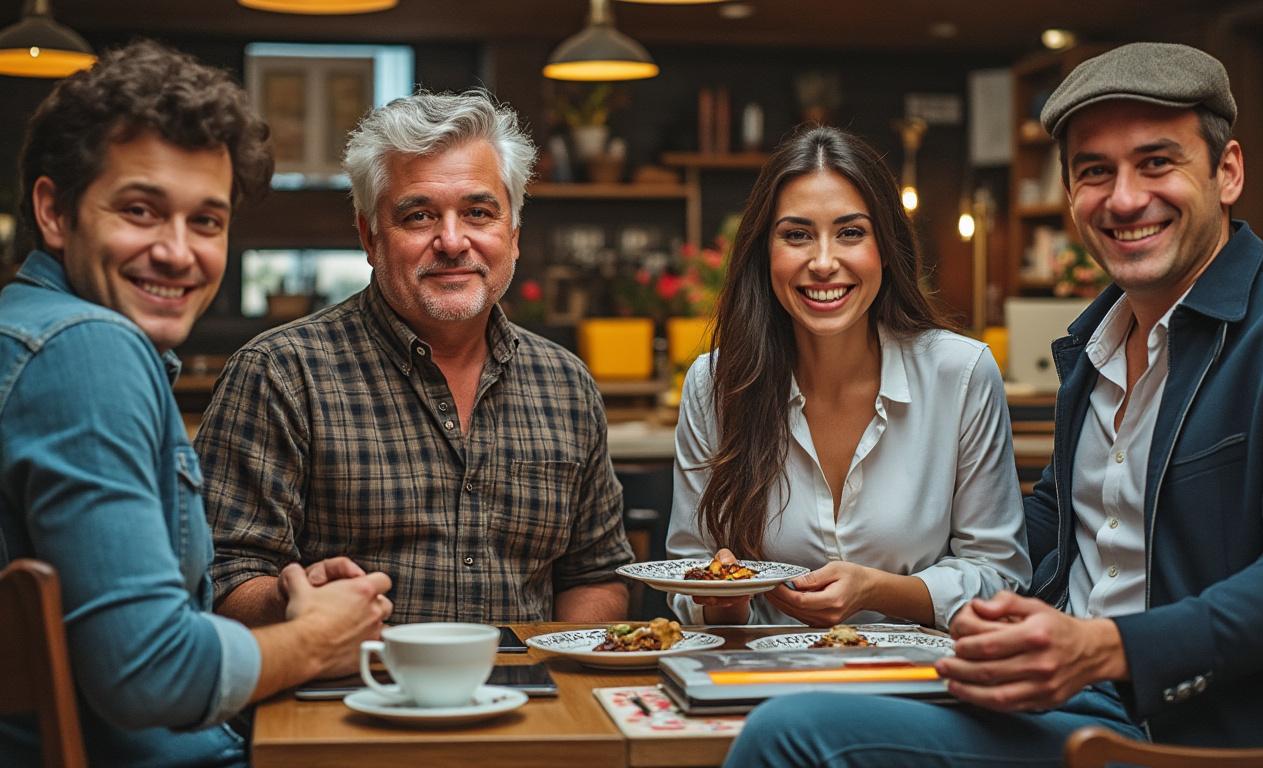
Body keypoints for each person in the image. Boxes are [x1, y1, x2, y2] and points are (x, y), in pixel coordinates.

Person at [724, 42, 1263, 766]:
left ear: (1227, 171)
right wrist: (968, 606)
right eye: (1094, 172)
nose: (1123, 198)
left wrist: (1104, 647)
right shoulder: (1097, 342)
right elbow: (1045, 530)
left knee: (789, 735)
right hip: (1049, 700)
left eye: (1156, 162)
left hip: (1181, 730)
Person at [0, 41, 392, 767]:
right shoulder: (86, 348)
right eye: (141, 210)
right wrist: (316, 640)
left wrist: (285, 607)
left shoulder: (29, 330)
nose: (178, 252)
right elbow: (150, 674)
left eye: (206, 221)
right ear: (54, 212)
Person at [195, 90, 634, 627]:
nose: (452, 242)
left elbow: (594, 574)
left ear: (513, 235)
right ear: (370, 236)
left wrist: (565, 682)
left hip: (528, 699)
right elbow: (221, 575)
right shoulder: (281, 373)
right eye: (419, 215)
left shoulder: (565, 383)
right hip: (346, 699)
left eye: (478, 212)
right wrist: (294, 599)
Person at [665, 125, 1030, 630]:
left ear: (885, 247)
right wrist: (720, 599)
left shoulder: (960, 373)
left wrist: (883, 592)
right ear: (763, 253)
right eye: (796, 235)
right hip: (760, 683)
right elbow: (685, 574)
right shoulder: (714, 384)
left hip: (919, 682)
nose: (822, 262)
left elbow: (1001, 574)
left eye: (851, 232)